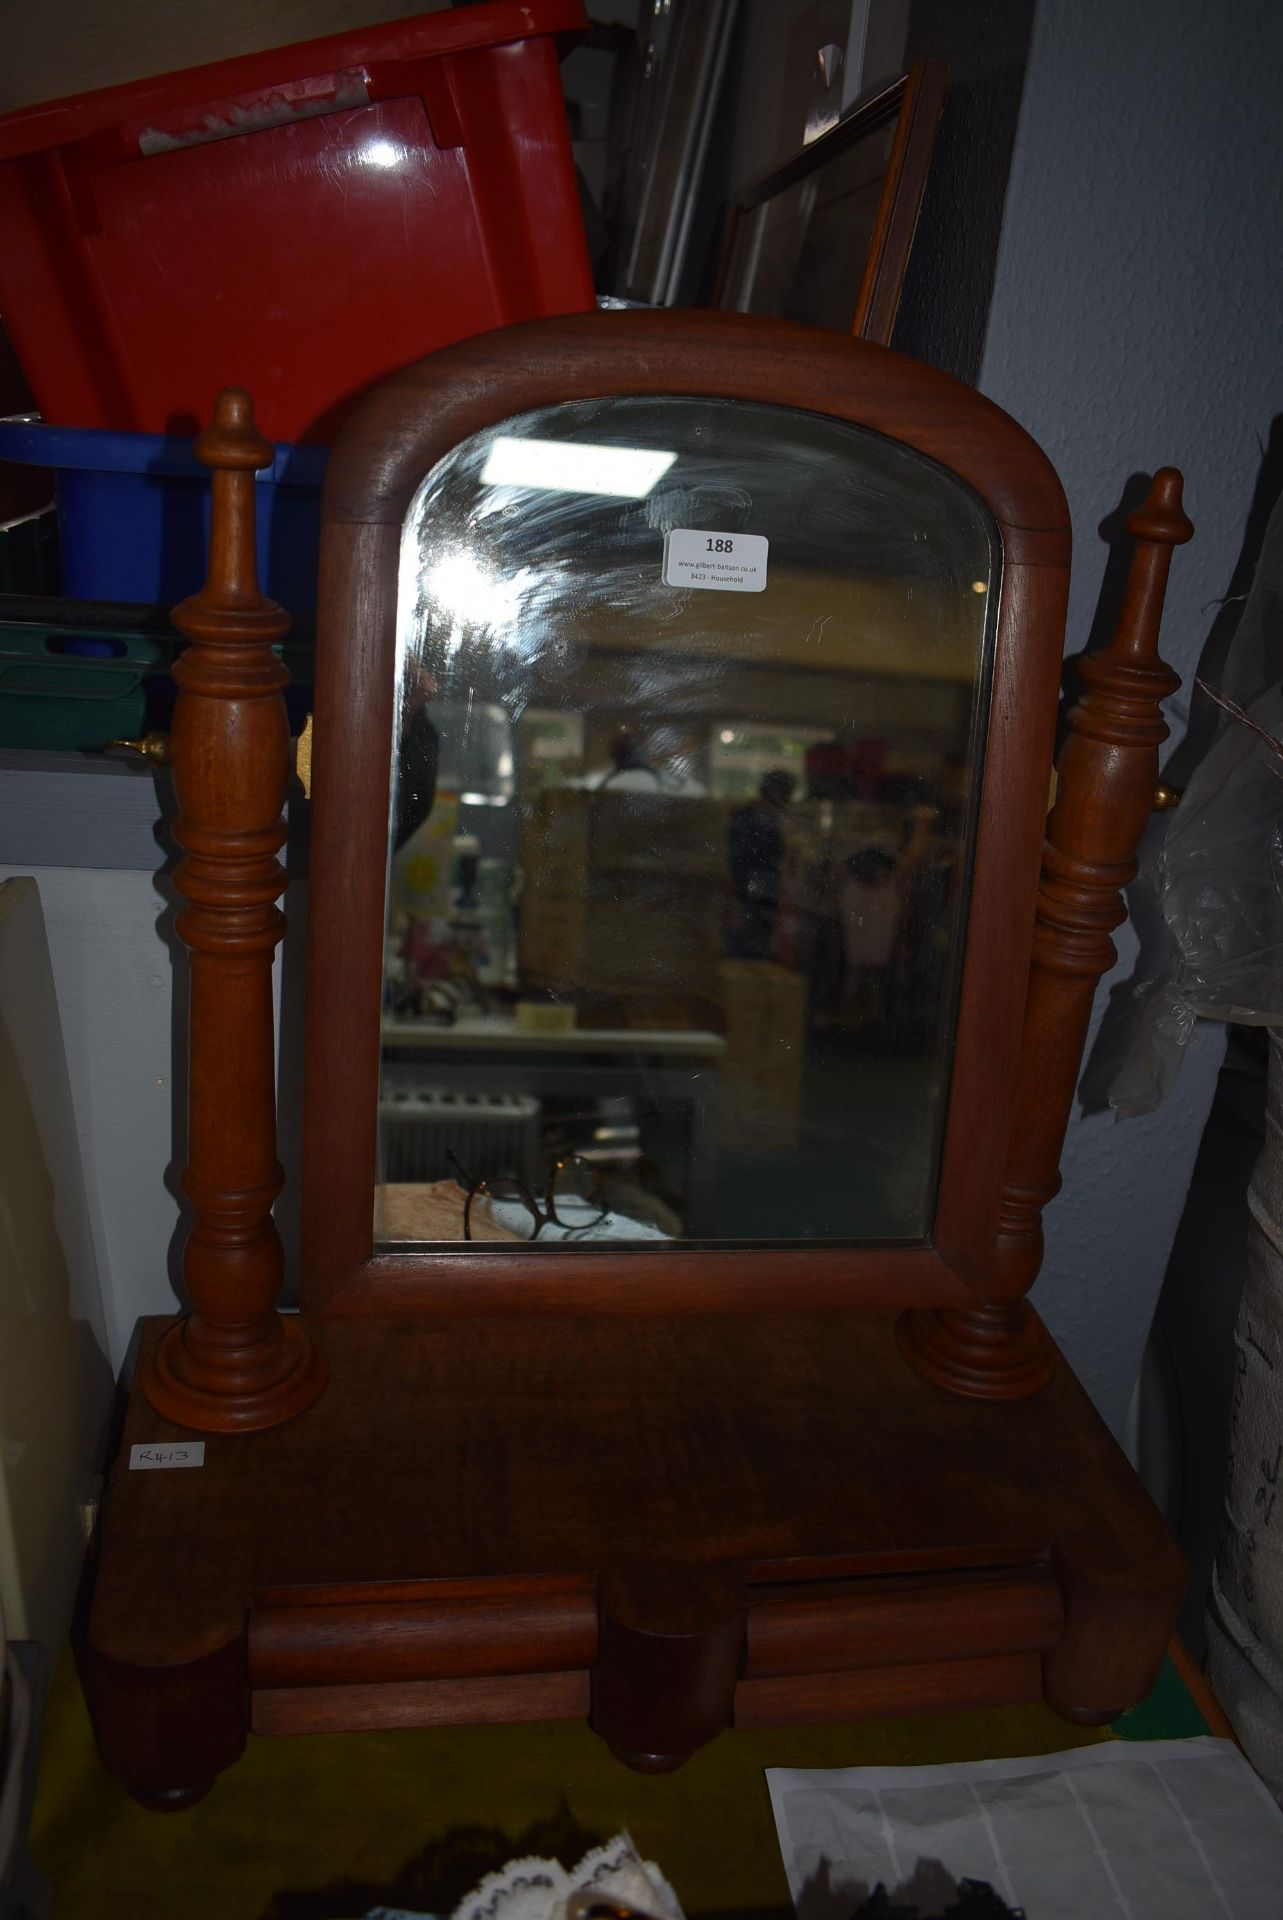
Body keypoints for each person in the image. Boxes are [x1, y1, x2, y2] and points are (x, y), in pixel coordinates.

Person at [727, 769, 795, 959]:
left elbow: (779, 867)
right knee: (738, 957)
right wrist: (734, 906)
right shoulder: (742, 821)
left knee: (759, 957)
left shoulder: (776, 826)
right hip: (743, 902)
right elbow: (732, 865)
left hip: (766, 904)